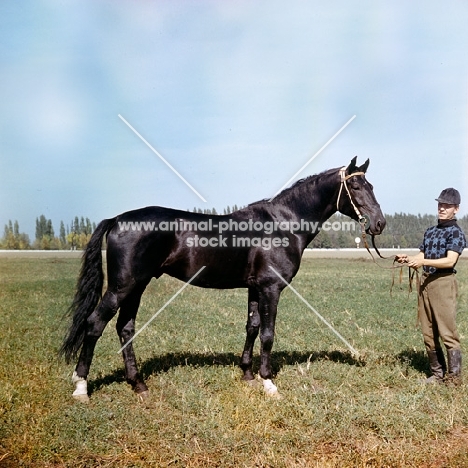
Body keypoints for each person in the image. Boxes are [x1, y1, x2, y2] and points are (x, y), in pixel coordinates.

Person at [396, 188, 466, 384]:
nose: (442, 208)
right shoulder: (430, 231)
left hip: (443, 283)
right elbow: (421, 256)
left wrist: (424, 261)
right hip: (425, 281)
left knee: (447, 332)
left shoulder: (456, 233)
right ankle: (437, 374)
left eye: (447, 205)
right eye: (440, 204)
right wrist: (408, 259)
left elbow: (450, 261)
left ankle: (453, 379)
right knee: (428, 332)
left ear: (456, 209)